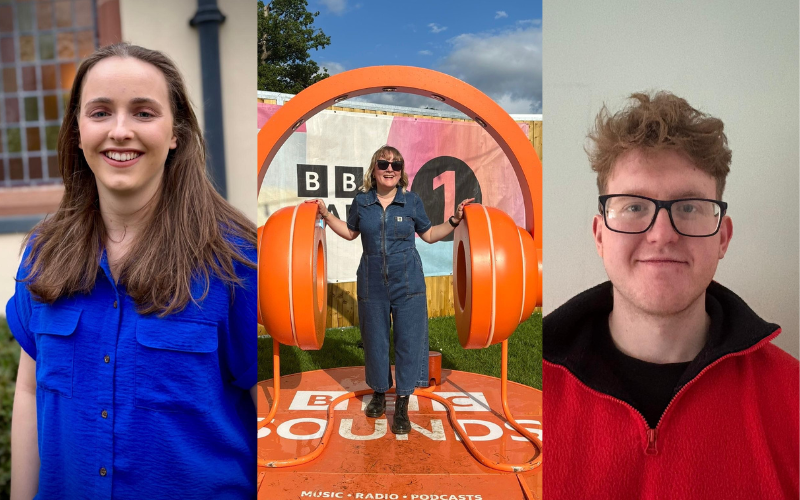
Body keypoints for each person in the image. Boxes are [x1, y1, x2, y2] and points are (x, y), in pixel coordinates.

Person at [8, 44, 256, 499]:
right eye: (100, 112)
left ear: (176, 132)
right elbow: (28, 392)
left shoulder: (238, 261)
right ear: (78, 132)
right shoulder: (43, 254)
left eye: (144, 113)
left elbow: (267, 409)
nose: (120, 131)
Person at [543, 92, 798, 499]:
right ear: (599, 236)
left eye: (690, 207)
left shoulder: (793, 397)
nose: (662, 233)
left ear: (723, 238)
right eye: (634, 207)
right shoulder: (533, 389)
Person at [313, 145, 473, 435]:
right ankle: (378, 392)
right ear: (373, 170)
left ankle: (401, 402)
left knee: (408, 342)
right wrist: (325, 213)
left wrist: (454, 220)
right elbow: (350, 233)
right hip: (371, 280)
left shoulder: (411, 202)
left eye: (395, 164)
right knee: (375, 339)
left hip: (408, 282)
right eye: (383, 164)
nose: (390, 169)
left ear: (401, 171)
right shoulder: (361, 202)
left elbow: (428, 234)